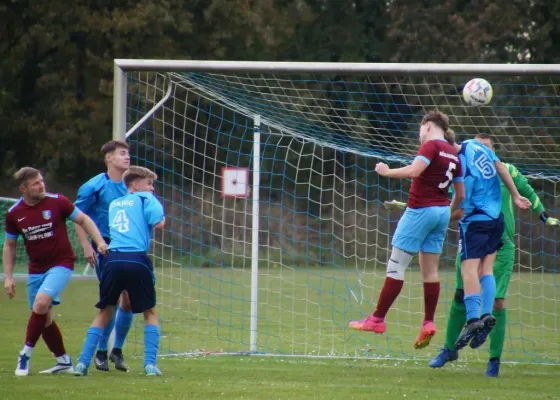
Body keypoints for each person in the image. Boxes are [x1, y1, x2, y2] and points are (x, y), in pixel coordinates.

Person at [429, 133, 558, 376]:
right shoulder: (464, 170)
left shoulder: (506, 170)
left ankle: (494, 359)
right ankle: (448, 349)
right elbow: (452, 204)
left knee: (498, 300)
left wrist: (542, 213)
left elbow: (527, 191)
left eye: (487, 149)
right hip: (476, 236)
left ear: (493, 150)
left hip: (502, 242)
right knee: (460, 294)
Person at [349, 109, 465, 349]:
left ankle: (377, 319)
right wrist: (446, 212)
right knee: (430, 272)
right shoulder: (454, 154)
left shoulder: (431, 146)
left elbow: (414, 171)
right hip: (442, 212)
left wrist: (386, 171)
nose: (419, 135)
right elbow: (461, 194)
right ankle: (428, 323)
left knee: (396, 265)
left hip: (420, 210)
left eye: (420, 130)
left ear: (428, 126)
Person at [3, 167, 108, 376]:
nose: (41, 185)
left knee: (41, 304)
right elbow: (10, 246)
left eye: (41, 181)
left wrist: (99, 241)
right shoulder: (14, 214)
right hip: (36, 269)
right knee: (44, 318)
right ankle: (64, 360)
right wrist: (8, 277)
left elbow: (84, 219)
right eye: (35, 183)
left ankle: (25, 354)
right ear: (23, 188)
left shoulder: (57, 201)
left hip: (62, 263)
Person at [74, 166, 165, 377]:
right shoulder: (145, 199)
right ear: (135, 184)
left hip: (113, 259)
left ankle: (82, 363)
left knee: (105, 311)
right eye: (149, 183)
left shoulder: (115, 203)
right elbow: (159, 223)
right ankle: (150, 365)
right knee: (150, 312)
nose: (152, 188)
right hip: (136, 258)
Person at [74, 140, 132, 372]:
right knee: (112, 299)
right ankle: (100, 351)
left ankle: (116, 350)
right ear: (109, 158)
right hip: (104, 246)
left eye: (128, 154)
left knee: (128, 301)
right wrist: (87, 247)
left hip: (129, 246)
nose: (127, 157)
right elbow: (77, 216)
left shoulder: (132, 184)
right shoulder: (94, 186)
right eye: (122, 153)